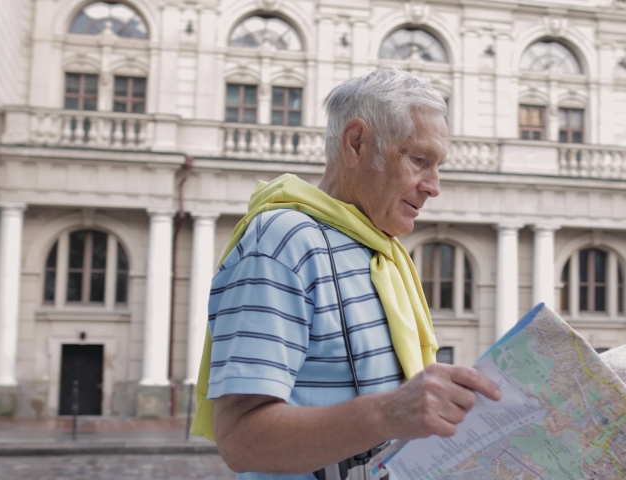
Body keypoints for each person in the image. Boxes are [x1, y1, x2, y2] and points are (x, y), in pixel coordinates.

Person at [189, 66, 502, 480]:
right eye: (419, 160)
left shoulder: (383, 252)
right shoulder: (283, 240)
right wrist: (390, 412)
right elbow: (242, 440)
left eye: (438, 165)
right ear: (356, 143)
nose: (434, 185)